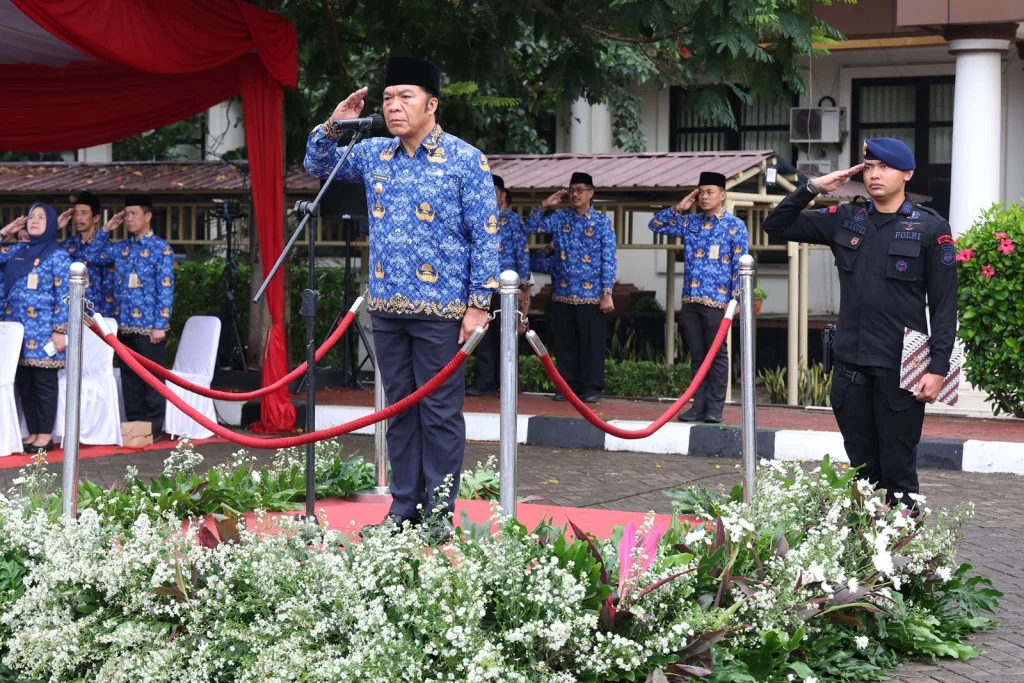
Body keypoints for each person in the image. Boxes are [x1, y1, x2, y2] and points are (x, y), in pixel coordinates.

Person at [304, 56, 500, 541]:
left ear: (432, 104)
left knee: (439, 414)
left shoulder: (465, 159)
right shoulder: (374, 154)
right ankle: (404, 509)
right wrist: (335, 123)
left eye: (405, 97)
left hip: (442, 311)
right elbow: (317, 164)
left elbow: (486, 235)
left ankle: (437, 516)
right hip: (388, 307)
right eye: (388, 98)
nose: (393, 106)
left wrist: (479, 304)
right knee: (399, 413)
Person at [762, 138, 957, 510]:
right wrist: (813, 187)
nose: (875, 175)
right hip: (850, 365)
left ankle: (901, 539)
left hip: (902, 368)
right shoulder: (846, 218)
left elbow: (945, 306)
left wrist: (938, 368)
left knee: (899, 469)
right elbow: (776, 225)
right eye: (869, 167)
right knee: (862, 471)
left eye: (885, 167)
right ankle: (866, 540)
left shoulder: (931, 228)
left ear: (908, 174)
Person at [648, 171, 749, 423]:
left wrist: (736, 299)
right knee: (697, 355)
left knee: (717, 355)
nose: (704, 197)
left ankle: (715, 408)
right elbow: (655, 225)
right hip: (691, 299)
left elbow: (739, 264)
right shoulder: (690, 222)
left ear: (722, 195)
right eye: (700, 192)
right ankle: (698, 406)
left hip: (718, 301)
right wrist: (679, 208)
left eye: (709, 192)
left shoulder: (735, 225)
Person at [525, 172, 616, 403]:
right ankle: (568, 387)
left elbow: (609, 259)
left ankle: (591, 388)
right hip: (563, 295)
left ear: (591, 193)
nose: (575, 194)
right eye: (572, 190)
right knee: (565, 345)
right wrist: (545, 205)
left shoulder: (602, 223)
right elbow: (530, 227)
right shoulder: (560, 218)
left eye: (580, 190)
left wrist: (607, 293)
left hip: (591, 296)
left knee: (591, 345)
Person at [94, 195, 175, 437]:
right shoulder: (123, 248)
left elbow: (165, 288)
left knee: (152, 379)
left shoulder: (161, 249)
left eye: (134, 214)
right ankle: (135, 429)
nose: (129, 219)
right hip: (124, 326)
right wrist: (107, 229)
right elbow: (94, 255)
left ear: (147, 216)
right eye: (126, 214)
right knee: (130, 380)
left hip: (149, 327)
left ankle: (153, 428)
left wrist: (160, 324)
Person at [0, 204, 72, 451]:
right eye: (32, 216)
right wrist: (6, 231)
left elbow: (65, 295)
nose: (34, 220)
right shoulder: (18, 250)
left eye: (41, 217)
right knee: (25, 384)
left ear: (51, 223)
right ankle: (33, 432)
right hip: (18, 333)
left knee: (44, 384)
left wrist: (60, 330)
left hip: (44, 333)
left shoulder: (58, 256)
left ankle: (45, 434)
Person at [466, 174, 531, 396]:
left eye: (493, 191)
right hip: (483, 288)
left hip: (507, 291)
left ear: (503, 195)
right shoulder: (476, 218)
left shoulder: (513, 220)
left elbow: (522, 253)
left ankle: (508, 385)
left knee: (507, 338)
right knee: (483, 336)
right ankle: (485, 383)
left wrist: (523, 287)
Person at [62, 191, 116, 318]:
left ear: (96, 218)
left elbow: (111, 287)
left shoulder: (107, 247)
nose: (78, 218)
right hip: (70, 314)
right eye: (76, 213)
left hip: (98, 315)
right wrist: (56, 227)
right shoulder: (67, 245)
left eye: (84, 213)